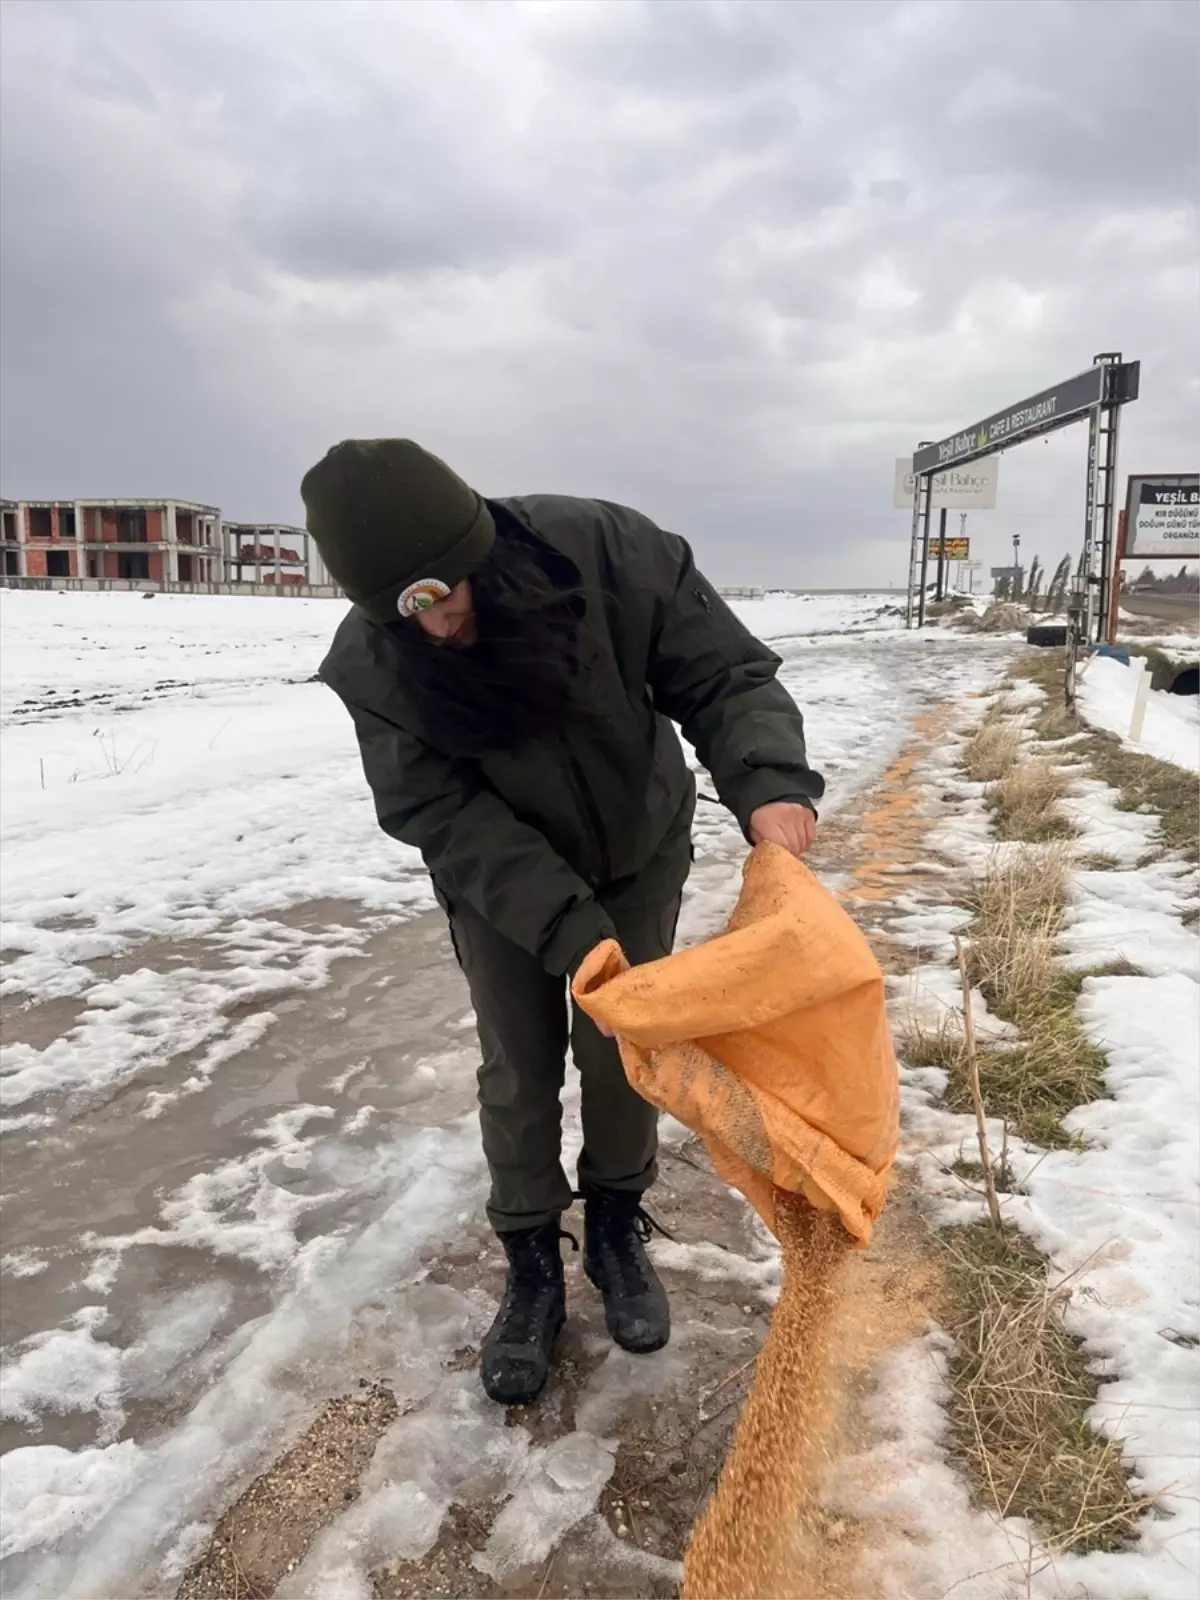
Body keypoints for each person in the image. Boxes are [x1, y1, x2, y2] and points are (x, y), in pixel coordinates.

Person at [303, 439, 824, 1407]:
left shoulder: (605, 551)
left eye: (441, 590)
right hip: (501, 883)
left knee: (628, 1046)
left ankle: (618, 1229)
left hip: (637, 843)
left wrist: (770, 784)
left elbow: (724, 676)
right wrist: (568, 926)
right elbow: (438, 811)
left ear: (475, 542)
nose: (437, 622)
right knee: (518, 1063)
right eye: (403, 610)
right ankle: (532, 1259)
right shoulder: (379, 665)